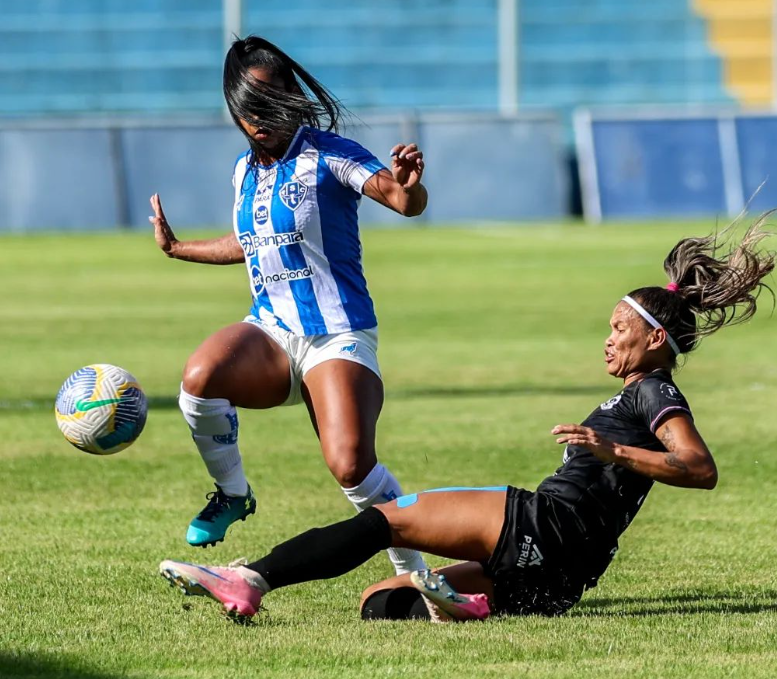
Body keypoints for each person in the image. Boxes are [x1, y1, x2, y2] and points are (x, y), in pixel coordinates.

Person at [159, 215, 774, 621]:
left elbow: (700, 468)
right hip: (563, 577)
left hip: (543, 523)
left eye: (620, 329)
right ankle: (467, 608)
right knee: (381, 605)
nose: (608, 340)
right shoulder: (635, 395)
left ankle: (251, 580)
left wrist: (613, 453)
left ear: (657, 340)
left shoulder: (653, 394)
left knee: (383, 522)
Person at [149, 35, 427, 576]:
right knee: (200, 377)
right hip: (272, 333)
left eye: (271, 104)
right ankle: (232, 493)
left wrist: (411, 187)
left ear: (293, 100)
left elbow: (400, 199)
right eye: (248, 109)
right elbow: (251, 243)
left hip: (336, 335)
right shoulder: (243, 172)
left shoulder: (330, 153)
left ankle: (417, 575)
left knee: (351, 467)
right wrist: (180, 249)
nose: (260, 119)